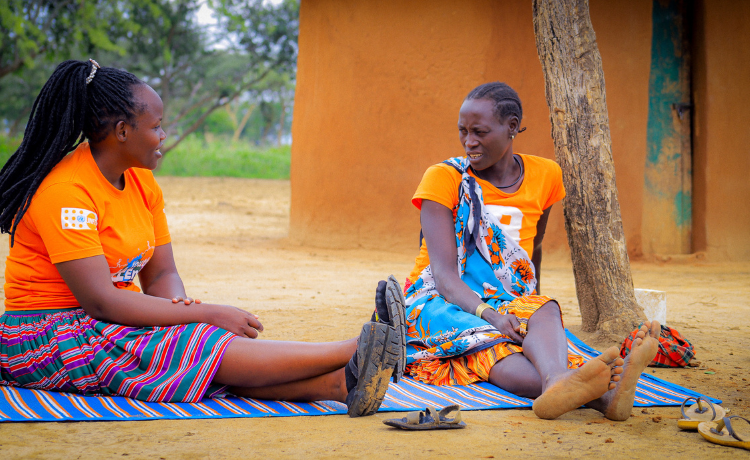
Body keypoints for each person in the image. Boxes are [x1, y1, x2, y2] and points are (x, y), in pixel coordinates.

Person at [0, 60, 407, 418]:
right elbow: (100, 300)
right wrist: (200, 315)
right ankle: (355, 348)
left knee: (184, 346)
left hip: (107, 320)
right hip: (47, 334)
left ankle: (339, 384)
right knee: (192, 340)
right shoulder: (67, 192)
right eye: (157, 126)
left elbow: (161, 277)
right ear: (122, 131)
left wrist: (182, 308)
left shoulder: (141, 182)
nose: (164, 135)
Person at [404, 82, 658, 420]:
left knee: (544, 309)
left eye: (479, 132)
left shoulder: (546, 175)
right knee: (493, 346)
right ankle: (600, 394)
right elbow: (445, 277)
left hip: (505, 296)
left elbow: (530, 252)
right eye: (463, 132)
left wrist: (532, 315)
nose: (469, 142)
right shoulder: (444, 178)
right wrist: (493, 317)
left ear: (511, 127)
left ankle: (561, 382)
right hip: (437, 298)